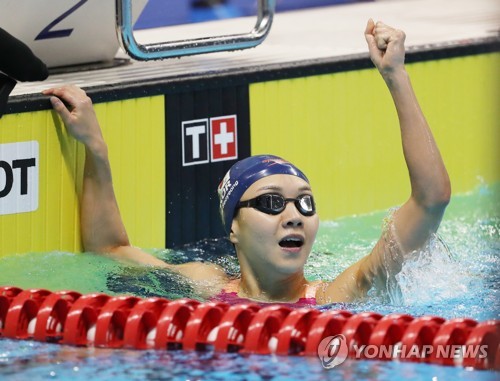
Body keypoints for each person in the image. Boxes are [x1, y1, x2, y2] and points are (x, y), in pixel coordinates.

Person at [42, 20, 451, 305]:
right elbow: (109, 249)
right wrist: (94, 147)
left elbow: (431, 199)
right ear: (233, 228)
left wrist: (396, 75)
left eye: (304, 203)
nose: (294, 216)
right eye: (272, 203)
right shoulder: (205, 284)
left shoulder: (336, 296)